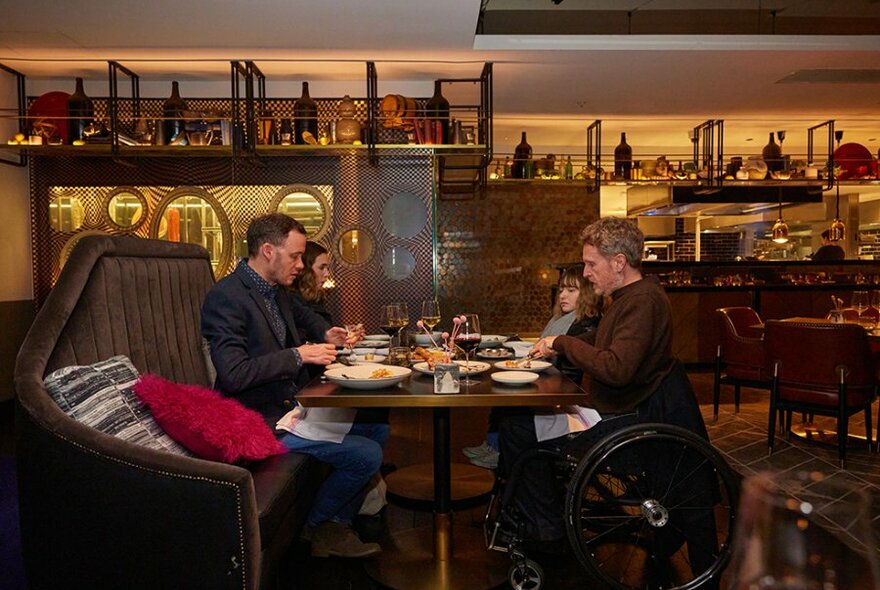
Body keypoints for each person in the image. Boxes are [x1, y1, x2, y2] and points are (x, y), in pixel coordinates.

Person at [497, 217, 714, 573]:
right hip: (625, 410)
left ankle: (548, 529)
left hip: (627, 420)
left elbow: (616, 367)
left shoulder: (642, 302)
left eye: (590, 264)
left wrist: (562, 342)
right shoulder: (630, 297)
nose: (586, 273)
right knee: (518, 422)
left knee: (518, 428)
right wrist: (557, 347)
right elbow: (602, 342)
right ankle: (544, 522)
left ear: (618, 262)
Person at [201, 213, 386, 559]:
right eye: (296, 256)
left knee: (377, 426)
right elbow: (234, 374)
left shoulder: (275, 291)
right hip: (256, 418)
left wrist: (326, 333)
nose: (301, 264)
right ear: (268, 251)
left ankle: (338, 516)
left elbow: (305, 317)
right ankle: (319, 527)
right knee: (367, 454)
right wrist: (298, 355)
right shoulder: (227, 296)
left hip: (288, 407)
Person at [462, 267, 605, 469]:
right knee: (504, 394)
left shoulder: (584, 326)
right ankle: (493, 446)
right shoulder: (561, 320)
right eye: (561, 289)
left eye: (571, 290)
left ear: (588, 294)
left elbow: (570, 373)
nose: (562, 295)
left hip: (571, 403)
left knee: (509, 402)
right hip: (554, 385)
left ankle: (498, 452)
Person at [291, 241, 333, 325]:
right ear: (306, 270)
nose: (327, 274)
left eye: (327, 268)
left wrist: (346, 333)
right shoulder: (291, 298)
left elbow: (327, 330)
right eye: (321, 268)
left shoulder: (316, 296)